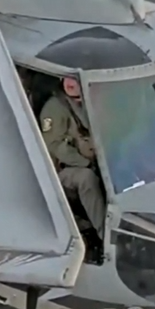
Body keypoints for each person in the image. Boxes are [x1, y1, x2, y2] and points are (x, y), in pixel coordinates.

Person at [40, 77, 105, 240]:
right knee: (86, 179)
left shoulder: (92, 101)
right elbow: (54, 146)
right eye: (67, 77)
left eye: (75, 79)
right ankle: (105, 235)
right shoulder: (55, 107)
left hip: (94, 161)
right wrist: (86, 163)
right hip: (62, 171)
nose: (70, 83)